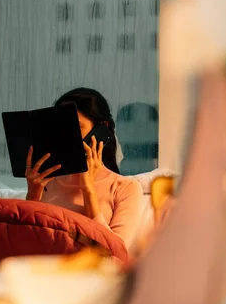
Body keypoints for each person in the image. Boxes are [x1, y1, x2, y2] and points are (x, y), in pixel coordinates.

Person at [25, 88, 143, 252]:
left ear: (101, 130)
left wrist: (88, 189)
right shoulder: (46, 182)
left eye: (76, 126)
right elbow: (25, 243)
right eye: (60, 126)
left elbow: (115, 253)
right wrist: (32, 194)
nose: (65, 135)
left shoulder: (126, 188)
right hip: (43, 272)